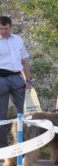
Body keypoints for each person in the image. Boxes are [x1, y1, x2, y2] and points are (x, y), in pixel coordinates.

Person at [0, 16, 32, 149]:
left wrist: (28, 80)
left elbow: (25, 62)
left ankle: (24, 146)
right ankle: (2, 147)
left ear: (11, 27)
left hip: (17, 78)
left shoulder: (18, 40)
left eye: (5, 28)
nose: (3, 31)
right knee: (1, 115)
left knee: (25, 113)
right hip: (1, 78)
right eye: (0, 29)